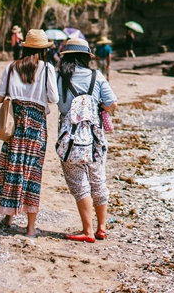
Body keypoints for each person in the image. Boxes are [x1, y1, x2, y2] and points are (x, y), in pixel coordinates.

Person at [0, 29, 58, 236]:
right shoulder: (47, 69)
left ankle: (8, 217)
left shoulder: (11, 67)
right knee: (32, 172)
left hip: (16, 123)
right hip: (36, 125)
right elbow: (54, 98)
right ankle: (30, 228)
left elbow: (0, 97)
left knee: (12, 166)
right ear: (43, 50)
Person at [56, 38, 117, 243]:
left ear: (66, 57)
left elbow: (57, 102)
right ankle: (101, 228)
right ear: (86, 57)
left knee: (78, 183)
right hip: (94, 136)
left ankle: (87, 231)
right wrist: (98, 106)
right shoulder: (96, 76)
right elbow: (112, 103)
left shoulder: (60, 77)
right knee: (98, 180)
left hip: (69, 137)